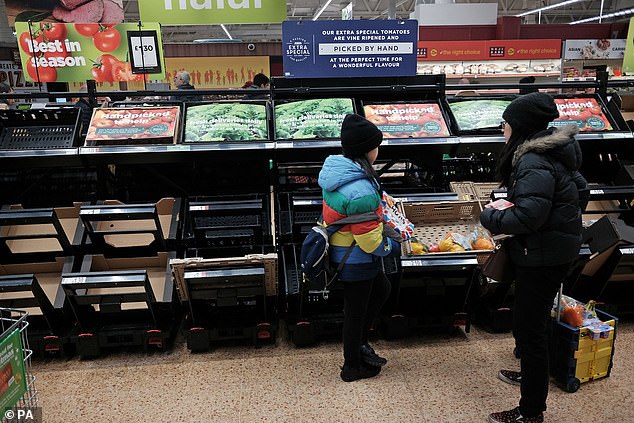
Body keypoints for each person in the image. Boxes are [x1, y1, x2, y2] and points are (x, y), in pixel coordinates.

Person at [480, 93, 588, 423]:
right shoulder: (556, 151)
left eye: (505, 124)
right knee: (531, 323)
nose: (503, 130)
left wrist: (490, 216)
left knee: (530, 330)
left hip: (542, 257)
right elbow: (581, 192)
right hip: (553, 250)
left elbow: (528, 217)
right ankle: (532, 373)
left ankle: (530, 412)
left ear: (520, 127)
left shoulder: (532, 160)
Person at [317, 114, 401, 383]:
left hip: (344, 250)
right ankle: (351, 366)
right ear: (367, 150)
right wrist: (393, 244)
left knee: (381, 288)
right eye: (377, 146)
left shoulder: (339, 173)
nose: (379, 151)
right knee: (355, 312)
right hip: (356, 257)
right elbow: (369, 240)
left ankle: (361, 343)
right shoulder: (361, 188)